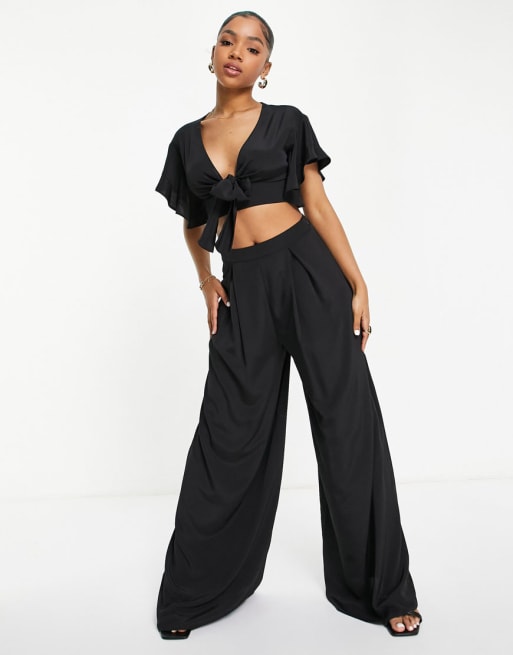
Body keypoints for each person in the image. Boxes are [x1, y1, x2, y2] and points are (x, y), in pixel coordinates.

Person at [154, 10, 422, 640]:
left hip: (307, 274)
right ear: (212, 53)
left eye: (252, 47)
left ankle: (384, 590)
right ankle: (195, 592)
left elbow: (316, 204)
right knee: (227, 434)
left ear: (266, 67)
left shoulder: (287, 122)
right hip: (243, 288)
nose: (237, 52)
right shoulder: (187, 140)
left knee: (346, 423)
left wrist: (357, 281)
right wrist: (206, 280)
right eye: (228, 41)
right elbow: (194, 223)